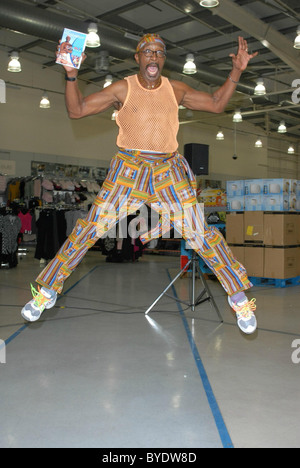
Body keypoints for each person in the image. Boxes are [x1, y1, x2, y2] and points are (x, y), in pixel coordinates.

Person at [21, 33, 258, 334]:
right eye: (147, 51)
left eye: (159, 52)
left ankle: (238, 298)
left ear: (163, 59)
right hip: (128, 169)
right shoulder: (124, 87)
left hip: (168, 170)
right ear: (138, 58)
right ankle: (47, 291)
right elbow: (76, 110)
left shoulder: (176, 90)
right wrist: (70, 75)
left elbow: (215, 104)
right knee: (90, 227)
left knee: (201, 233)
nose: (153, 56)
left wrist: (236, 70)